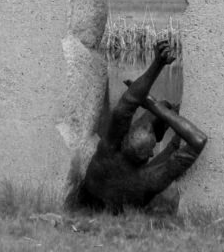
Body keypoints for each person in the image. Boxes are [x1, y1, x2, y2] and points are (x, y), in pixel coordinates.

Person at [79, 39, 207, 213]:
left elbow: (128, 103)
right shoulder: (147, 181)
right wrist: (153, 105)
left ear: (124, 139)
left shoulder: (107, 150)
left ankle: (164, 113)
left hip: (96, 197)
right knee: (164, 113)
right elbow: (198, 141)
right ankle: (164, 113)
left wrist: (157, 63)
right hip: (120, 199)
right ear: (150, 155)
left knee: (162, 110)